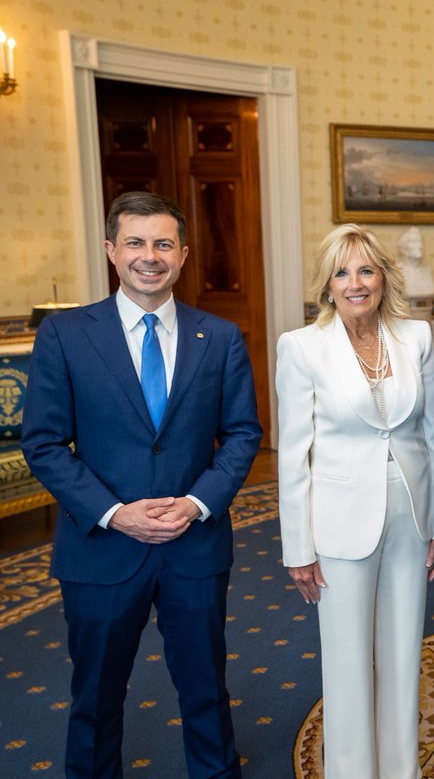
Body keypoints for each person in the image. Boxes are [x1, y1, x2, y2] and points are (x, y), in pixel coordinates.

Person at [21, 191, 262, 778]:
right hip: (102, 548)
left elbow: (242, 435)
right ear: (111, 250)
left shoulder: (221, 337)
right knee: (96, 696)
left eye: (162, 243)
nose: (148, 256)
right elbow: (44, 443)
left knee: (205, 688)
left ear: (183, 254)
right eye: (134, 242)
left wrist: (198, 502)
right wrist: (114, 513)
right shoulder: (65, 335)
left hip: (194, 545)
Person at [275, 223, 434, 779]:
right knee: (348, 664)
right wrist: (297, 548)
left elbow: (432, 436)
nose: (356, 283)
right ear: (327, 284)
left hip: (411, 520)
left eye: (366, 270)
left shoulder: (416, 337)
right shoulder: (301, 347)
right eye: (342, 272)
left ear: (383, 276)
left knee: (404, 658)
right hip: (338, 526)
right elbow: (293, 455)